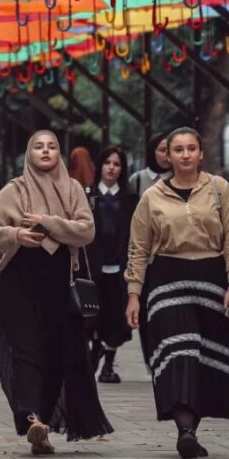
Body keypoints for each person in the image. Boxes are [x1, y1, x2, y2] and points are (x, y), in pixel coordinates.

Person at [0, 130, 112, 455]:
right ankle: (31, 416)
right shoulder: (15, 190)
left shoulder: (72, 189)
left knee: (54, 352)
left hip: (59, 283)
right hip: (19, 282)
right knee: (25, 350)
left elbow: (87, 231)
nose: (46, 151)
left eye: (51, 146)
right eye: (38, 146)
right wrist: (15, 234)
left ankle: (44, 425)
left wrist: (49, 223)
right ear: (28, 153)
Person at [125, 127, 229, 459]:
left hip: (212, 278)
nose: (184, 155)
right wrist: (134, 294)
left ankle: (191, 431)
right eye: (177, 149)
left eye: (191, 148)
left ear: (201, 153)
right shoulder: (151, 196)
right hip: (167, 280)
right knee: (180, 353)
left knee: (204, 359)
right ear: (167, 156)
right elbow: (138, 248)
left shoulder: (219, 189)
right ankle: (185, 431)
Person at [86, 146, 138, 384]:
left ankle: (108, 365)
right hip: (93, 268)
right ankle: (95, 350)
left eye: (116, 164)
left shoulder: (130, 199)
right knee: (93, 315)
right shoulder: (88, 197)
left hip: (120, 268)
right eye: (107, 162)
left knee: (116, 319)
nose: (111, 168)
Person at [129, 133, 171, 197]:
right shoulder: (137, 179)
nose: (167, 155)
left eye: (170, 151)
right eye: (162, 150)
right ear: (152, 152)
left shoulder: (178, 178)